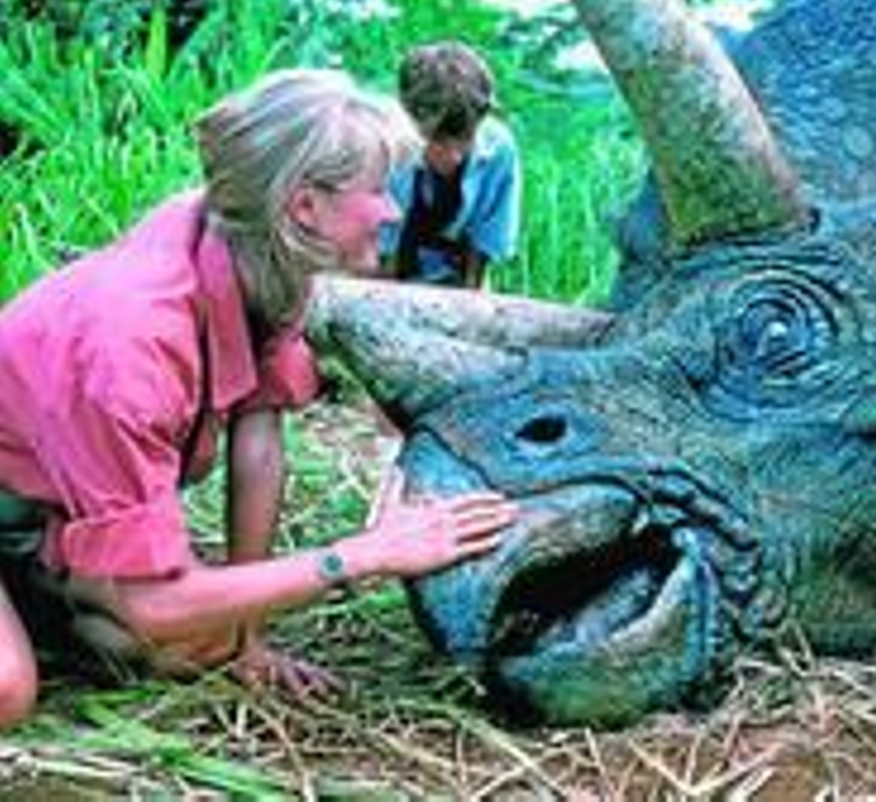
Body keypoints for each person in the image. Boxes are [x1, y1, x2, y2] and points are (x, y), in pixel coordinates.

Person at [0, 69, 520, 729]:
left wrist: (248, 639)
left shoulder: (255, 247)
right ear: (304, 206)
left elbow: (259, 438)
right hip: (16, 499)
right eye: (376, 191)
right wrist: (366, 554)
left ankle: (46, 590)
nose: (393, 212)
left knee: (207, 641)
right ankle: (51, 607)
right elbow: (157, 605)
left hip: (42, 509)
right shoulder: (132, 344)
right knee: (8, 690)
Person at [380, 42, 522, 289]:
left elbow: (487, 244)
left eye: (465, 139)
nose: (454, 157)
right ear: (409, 120)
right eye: (439, 141)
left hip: (452, 275)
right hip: (380, 273)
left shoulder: (500, 148)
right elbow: (380, 247)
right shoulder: (384, 144)